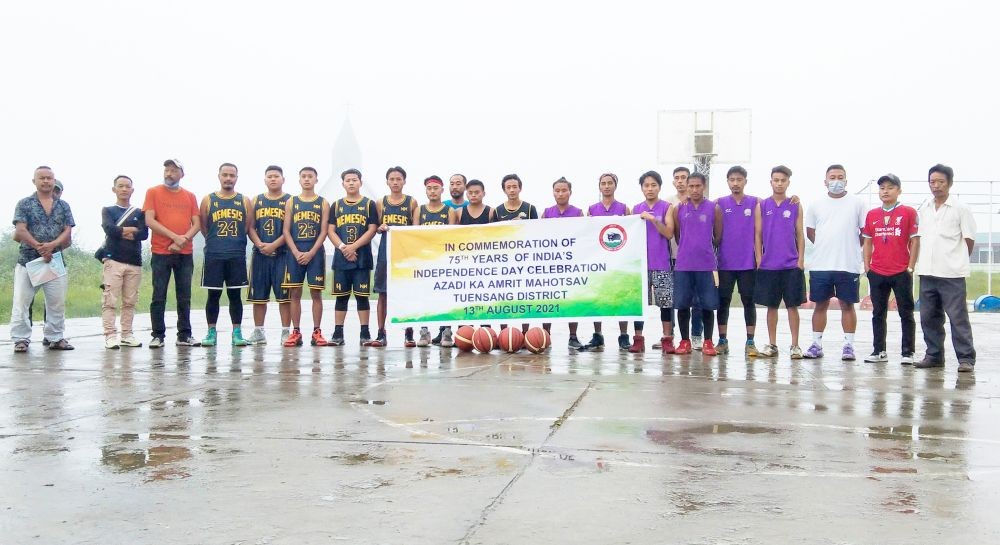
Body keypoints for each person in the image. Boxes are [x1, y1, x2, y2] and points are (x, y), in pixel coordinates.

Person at [913, 164, 977, 372]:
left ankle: (966, 358)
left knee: (958, 318)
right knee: (929, 317)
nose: (936, 186)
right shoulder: (925, 208)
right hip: (927, 272)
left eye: (941, 182)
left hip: (952, 273)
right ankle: (934, 356)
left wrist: (957, 259)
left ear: (950, 183)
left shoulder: (960, 209)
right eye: (932, 182)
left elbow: (969, 240)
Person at [802, 164, 867, 361]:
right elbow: (810, 232)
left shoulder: (857, 203)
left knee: (847, 305)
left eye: (840, 177)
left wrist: (850, 247)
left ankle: (849, 346)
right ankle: (816, 344)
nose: (836, 181)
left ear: (846, 181)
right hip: (821, 265)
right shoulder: (816, 204)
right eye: (832, 177)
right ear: (825, 181)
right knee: (820, 305)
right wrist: (826, 245)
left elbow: (864, 232)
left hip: (848, 265)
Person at [10, 166, 75, 353]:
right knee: (21, 301)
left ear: (54, 181)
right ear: (34, 181)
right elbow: (20, 229)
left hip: (54, 260)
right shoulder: (25, 203)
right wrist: (39, 246)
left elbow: (67, 230)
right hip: (28, 260)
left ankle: (55, 337)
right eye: (42, 178)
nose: (46, 181)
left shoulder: (63, 206)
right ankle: (21, 339)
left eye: (49, 178)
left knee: (56, 302)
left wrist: (52, 246)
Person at [143, 159, 201, 348]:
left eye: (174, 170)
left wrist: (184, 239)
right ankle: (158, 335)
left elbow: (197, 223)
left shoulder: (190, 196)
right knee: (158, 294)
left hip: (185, 252)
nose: (169, 173)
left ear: (182, 174)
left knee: (184, 295)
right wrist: (174, 237)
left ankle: (184, 335)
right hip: (161, 251)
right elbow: (149, 220)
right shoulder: (153, 192)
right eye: (167, 170)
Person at [862, 173, 919, 364]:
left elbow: (915, 240)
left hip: (901, 271)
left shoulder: (908, 212)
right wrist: (867, 267)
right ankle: (879, 350)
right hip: (877, 271)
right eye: (882, 188)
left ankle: (907, 352)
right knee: (878, 312)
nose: (885, 191)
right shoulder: (872, 214)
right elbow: (867, 242)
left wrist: (910, 267)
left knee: (906, 312)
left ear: (899, 190)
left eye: (890, 187)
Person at [753, 165, 806, 358]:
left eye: (783, 180)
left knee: (792, 306)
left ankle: (795, 345)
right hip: (769, 266)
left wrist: (800, 259)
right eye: (776, 180)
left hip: (791, 265)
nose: (779, 183)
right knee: (771, 306)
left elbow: (800, 233)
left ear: (788, 182)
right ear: (771, 182)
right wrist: (759, 259)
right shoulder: (762, 205)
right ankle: (772, 344)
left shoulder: (795, 204)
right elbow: (758, 234)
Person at [198, 163, 252, 347]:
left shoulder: (244, 200)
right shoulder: (208, 200)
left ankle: (237, 332)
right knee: (213, 295)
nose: (228, 178)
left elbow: (247, 227)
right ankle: (211, 332)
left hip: (236, 254)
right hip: (214, 254)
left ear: (237, 178)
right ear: (219, 176)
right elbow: (204, 227)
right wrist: (215, 242)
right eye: (225, 175)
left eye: (232, 175)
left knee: (235, 295)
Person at [671, 172, 721, 355]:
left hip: (706, 265)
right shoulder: (679, 209)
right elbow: (678, 236)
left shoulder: (714, 208)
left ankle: (708, 341)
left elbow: (718, 236)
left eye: (697, 186)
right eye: (691, 186)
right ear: (687, 187)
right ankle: (684, 341)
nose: (694, 190)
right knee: (682, 303)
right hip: (683, 264)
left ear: (704, 186)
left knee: (708, 304)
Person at [328, 168, 378, 346]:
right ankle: (338, 333)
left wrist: (353, 247)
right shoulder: (336, 205)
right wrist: (343, 248)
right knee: (341, 297)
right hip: (341, 258)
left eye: (354, 180)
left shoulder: (369, 204)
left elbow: (372, 229)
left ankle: (365, 333)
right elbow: (331, 230)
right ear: (342, 183)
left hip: (361, 258)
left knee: (362, 296)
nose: (351, 183)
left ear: (360, 183)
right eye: (348, 180)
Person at [281, 166, 330, 347]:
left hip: (314, 252)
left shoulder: (323, 203)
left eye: (310, 176)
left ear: (316, 180)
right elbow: (286, 230)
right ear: (299, 179)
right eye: (304, 176)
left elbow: (324, 231)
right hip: (295, 251)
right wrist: (295, 252)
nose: (307, 179)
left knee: (316, 293)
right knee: (295, 292)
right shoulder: (291, 202)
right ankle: (296, 331)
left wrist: (311, 252)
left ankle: (317, 331)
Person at [582, 172, 631, 351]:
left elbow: (630, 232)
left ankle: (624, 335)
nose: (607, 186)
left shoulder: (624, 208)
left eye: (610, 183)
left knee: (622, 298)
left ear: (615, 185)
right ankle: (598, 334)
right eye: (603, 183)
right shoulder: (592, 209)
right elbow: (587, 234)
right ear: (599, 186)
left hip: (619, 260)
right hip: (599, 261)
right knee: (597, 298)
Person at [98, 175, 148, 349]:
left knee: (130, 301)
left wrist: (122, 232)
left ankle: (127, 334)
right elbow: (109, 229)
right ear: (114, 189)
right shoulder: (108, 210)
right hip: (113, 260)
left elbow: (143, 234)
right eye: (121, 186)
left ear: (132, 190)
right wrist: (130, 230)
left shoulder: (139, 212)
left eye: (127, 186)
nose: (124, 189)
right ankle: (110, 335)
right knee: (110, 300)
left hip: (134, 261)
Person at [716, 166, 760, 356]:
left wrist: (794, 199)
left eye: (739, 179)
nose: (735, 183)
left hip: (748, 263)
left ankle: (750, 341)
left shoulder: (756, 203)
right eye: (732, 179)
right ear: (727, 181)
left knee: (748, 301)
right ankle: (722, 340)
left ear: (745, 181)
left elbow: (776, 203)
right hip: (724, 263)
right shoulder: (718, 203)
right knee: (723, 301)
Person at [373, 166, 419, 347]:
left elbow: (416, 229)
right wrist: (380, 228)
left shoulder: (411, 202)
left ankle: (409, 333)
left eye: (398, 179)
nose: (395, 182)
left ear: (404, 181)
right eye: (392, 179)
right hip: (385, 252)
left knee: (407, 293)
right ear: (387, 182)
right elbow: (375, 227)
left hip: (404, 253)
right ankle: (381, 332)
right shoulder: (381, 203)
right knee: (382, 293)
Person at [629, 170, 674, 354]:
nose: (650, 189)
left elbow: (669, 233)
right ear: (641, 188)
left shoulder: (667, 207)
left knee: (665, 303)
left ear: (659, 187)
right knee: (639, 304)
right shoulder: (635, 209)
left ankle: (667, 339)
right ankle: (638, 339)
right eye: (646, 185)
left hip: (661, 263)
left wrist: (653, 219)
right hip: (641, 265)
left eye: (653, 185)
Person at [246, 165, 292, 345]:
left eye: (276, 176)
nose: (273, 179)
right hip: (260, 254)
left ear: (283, 179)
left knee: (284, 297)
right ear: (265, 180)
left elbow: (290, 230)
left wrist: (274, 245)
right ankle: (259, 331)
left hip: (282, 254)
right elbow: (250, 227)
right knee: (258, 296)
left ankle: (286, 332)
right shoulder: (256, 200)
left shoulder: (290, 200)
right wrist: (259, 244)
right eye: (270, 176)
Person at [661, 166, 703, 349]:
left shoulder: (701, 203)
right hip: (672, 256)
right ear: (673, 182)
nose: (680, 181)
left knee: (697, 299)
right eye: (676, 177)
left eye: (683, 177)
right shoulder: (668, 203)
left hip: (696, 260)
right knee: (672, 298)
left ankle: (696, 335)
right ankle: (669, 335)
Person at [491, 174, 538, 335]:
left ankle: (526, 333)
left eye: (514, 187)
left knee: (525, 297)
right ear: (504, 190)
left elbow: (538, 234)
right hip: (504, 260)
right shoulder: (497, 211)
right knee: (502, 298)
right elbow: (494, 236)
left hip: (525, 259)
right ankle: (503, 332)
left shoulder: (530, 209)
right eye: (508, 187)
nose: (512, 190)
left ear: (520, 188)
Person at [541, 177, 584, 349]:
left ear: (570, 192)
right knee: (548, 300)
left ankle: (573, 336)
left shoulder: (578, 213)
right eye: (557, 190)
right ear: (553, 193)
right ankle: (545, 336)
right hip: (550, 263)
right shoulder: (546, 213)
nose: (560, 193)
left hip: (571, 262)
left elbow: (584, 236)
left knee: (572, 300)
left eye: (564, 190)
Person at [418, 175, 458, 347]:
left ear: (442, 190)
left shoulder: (449, 211)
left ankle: (446, 332)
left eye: (435, 188)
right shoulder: (419, 210)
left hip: (443, 260)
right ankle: (424, 331)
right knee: (423, 296)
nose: (432, 191)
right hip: (424, 259)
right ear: (426, 191)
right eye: (429, 188)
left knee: (445, 296)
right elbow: (413, 234)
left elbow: (452, 236)